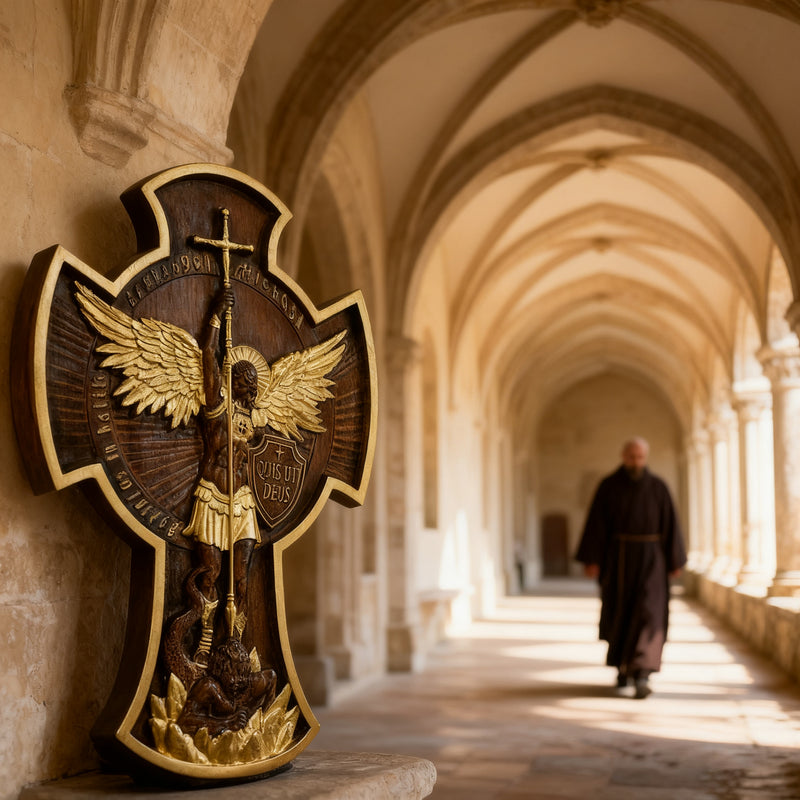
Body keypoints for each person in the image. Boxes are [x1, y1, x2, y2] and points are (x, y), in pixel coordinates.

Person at [183, 287, 264, 660]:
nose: (252, 390)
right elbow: (207, 357)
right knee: (211, 573)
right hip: (213, 499)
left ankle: (234, 643)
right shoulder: (216, 406)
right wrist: (215, 317)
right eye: (247, 383)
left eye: (254, 386)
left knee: (242, 580)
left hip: (242, 502)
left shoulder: (251, 421)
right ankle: (203, 638)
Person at [575, 437, 686, 698]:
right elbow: (596, 524)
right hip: (619, 560)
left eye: (639, 457)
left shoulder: (658, 487)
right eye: (631, 457)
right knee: (620, 612)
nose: (635, 462)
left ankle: (643, 673)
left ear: (645, 457)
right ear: (623, 456)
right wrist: (592, 559)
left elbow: (671, 524)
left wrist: (675, 560)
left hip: (652, 561)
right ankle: (623, 670)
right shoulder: (608, 486)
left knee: (649, 613)